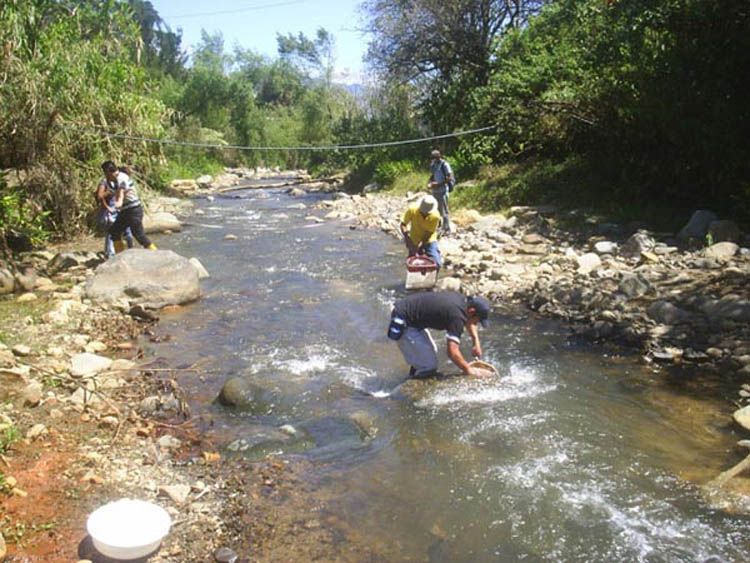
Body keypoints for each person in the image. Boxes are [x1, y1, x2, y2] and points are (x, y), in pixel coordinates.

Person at [387, 291, 491, 377]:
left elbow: (470, 322)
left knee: (429, 355)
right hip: (404, 320)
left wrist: (475, 342)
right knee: (428, 366)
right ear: (471, 311)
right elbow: (452, 352)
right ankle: (411, 390)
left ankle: (414, 373)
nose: (475, 324)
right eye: (476, 321)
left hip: (410, 313)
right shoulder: (457, 317)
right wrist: (468, 370)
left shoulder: (464, 303)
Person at [101, 161, 157, 253]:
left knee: (139, 235)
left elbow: (120, 195)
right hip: (126, 210)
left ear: (108, 171)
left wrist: (117, 204)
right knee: (114, 231)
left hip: (133, 210)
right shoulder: (115, 178)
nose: (105, 176)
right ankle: (120, 255)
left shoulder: (121, 178)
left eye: (105, 173)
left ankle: (156, 253)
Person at [95, 175, 133, 258]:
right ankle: (110, 254)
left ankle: (129, 251)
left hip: (121, 210)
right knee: (111, 232)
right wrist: (107, 207)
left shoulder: (119, 181)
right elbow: (99, 196)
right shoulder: (104, 181)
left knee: (127, 232)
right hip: (111, 212)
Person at [400, 195, 442, 269]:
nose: (425, 214)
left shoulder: (436, 216)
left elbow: (429, 232)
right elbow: (403, 224)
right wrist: (407, 238)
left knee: (437, 263)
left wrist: (421, 244)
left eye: (427, 213)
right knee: (412, 263)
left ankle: (432, 276)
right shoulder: (412, 210)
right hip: (414, 238)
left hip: (429, 239)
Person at [427, 148, 455, 235]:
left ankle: (447, 229)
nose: (433, 159)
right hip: (435, 191)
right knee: (435, 210)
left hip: (443, 191)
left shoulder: (444, 164)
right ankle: (438, 227)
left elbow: (449, 178)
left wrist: (438, 184)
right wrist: (429, 183)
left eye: (434, 157)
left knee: (444, 210)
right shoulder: (433, 165)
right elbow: (432, 176)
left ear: (438, 156)